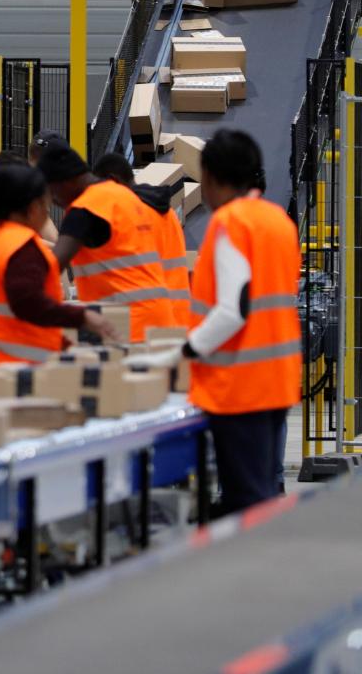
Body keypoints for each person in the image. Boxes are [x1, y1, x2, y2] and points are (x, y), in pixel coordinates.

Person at [128, 130, 301, 514]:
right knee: (261, 494)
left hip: (239, 386)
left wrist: (182, 352)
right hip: (277, 379)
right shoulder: (279, 222)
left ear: (213, 177)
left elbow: (231, 309)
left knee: (244, 501)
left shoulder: (231, 223)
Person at [0, 165, 122, 364]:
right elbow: (29, 302)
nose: (47, 211)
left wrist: (64, 345)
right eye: (45, 205)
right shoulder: (22, 248)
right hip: (15, 370)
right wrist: (83, 318)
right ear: (33, 209)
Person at [38, 145, 176, 343]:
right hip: (159, 320)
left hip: (128, 325)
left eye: (52, 193)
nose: (55, 202)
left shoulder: (85, 209)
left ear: (65, 182)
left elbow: (53, 265)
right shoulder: (123, 196)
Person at [94, 152, 192, 327]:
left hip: (150, 323)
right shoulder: (164, 210)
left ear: (113, 181)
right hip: (178, 315)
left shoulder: (131, 215)